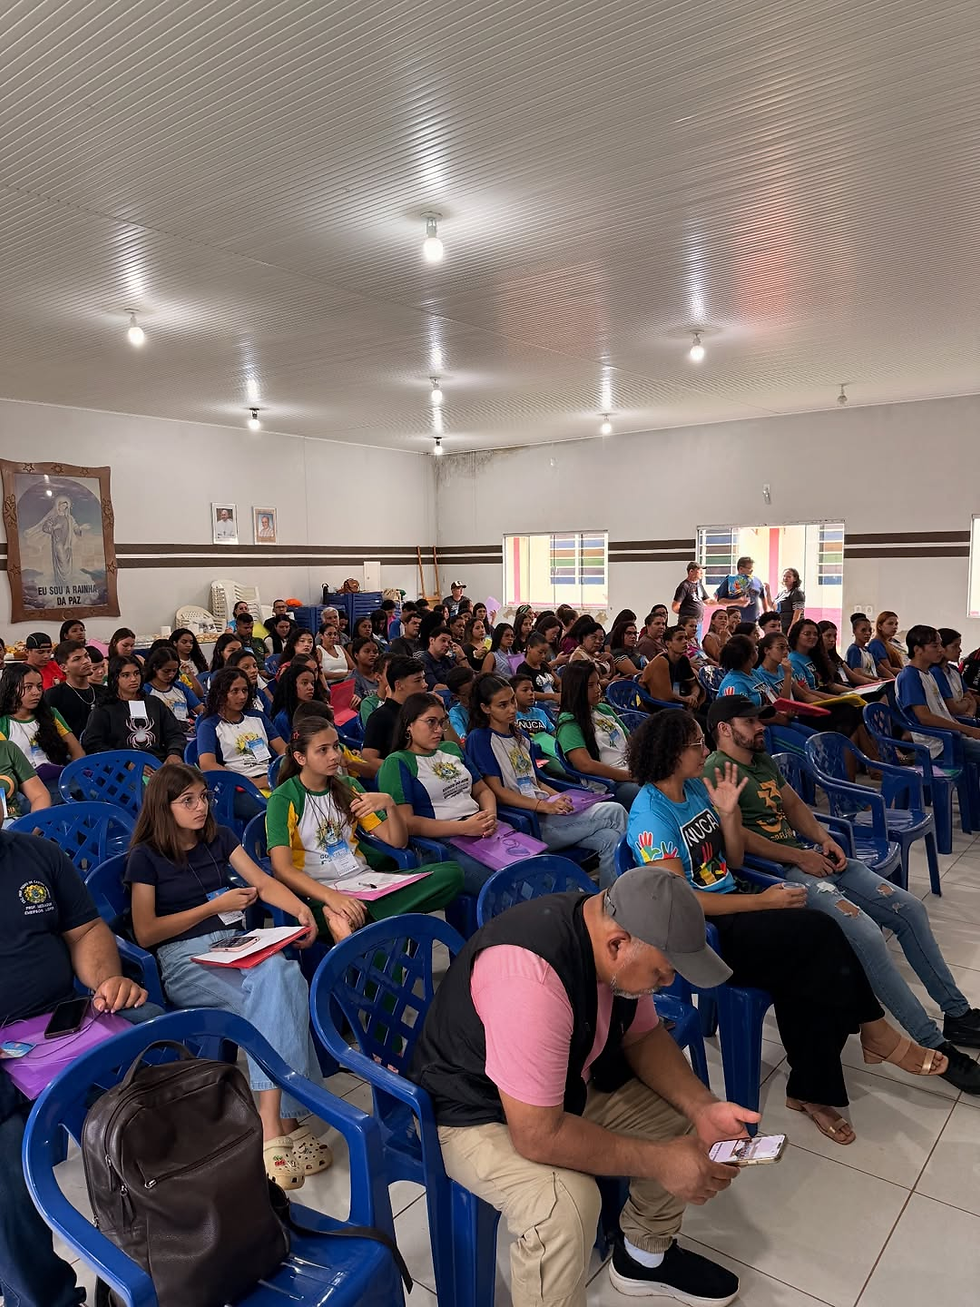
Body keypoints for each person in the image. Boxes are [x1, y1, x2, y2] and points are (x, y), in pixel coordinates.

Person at [410, 863, 753, 1307]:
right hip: (471, 1110)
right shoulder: (530, 979)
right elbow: (537, 1134)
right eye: (662, 973)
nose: (668, 983)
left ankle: (643, 1259)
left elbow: (644, 1035)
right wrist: (661, 1162)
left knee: (687, 1129)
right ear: (618, 945)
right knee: (564, 1206)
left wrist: (702, 1108)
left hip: (561, 1081)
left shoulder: (612, 935)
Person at [627, 708, 938, 1144]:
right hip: (703, 931)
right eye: (696, 743)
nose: (704, 750)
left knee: (813, 957)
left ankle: (816, 1086)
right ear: (670, 752)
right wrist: (761, 901)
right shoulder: (650, 815)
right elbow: (679, 903)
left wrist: (729, 813)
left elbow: (731, 860)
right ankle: (871, 1032)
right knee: (817, 937)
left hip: (733, 905)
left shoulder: (696, 790)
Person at [706, 695, 980, 1093]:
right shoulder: (716, 771)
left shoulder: (761, 758)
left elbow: (795, 804)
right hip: (775, 876)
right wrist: (801, 856)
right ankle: (930, 1041)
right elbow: (738, 840)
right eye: (751, 722)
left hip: (806, 858)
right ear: (725, 730)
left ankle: (956, 1013)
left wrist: (821, 840)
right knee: (866, 934)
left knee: (908, 909)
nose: (762, 727)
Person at [126, 764, 329, 1189]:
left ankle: (275, 1123)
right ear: (165, 808)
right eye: (189, 801)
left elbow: (261, 881)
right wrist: (209, 910)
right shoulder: (146, 856)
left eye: (204, 797)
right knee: (282, 982)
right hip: (184, 959)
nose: (201, 807)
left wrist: (300, 909)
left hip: (235, 947)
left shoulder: (219, 838)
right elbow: (146, 931)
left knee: (280, 976)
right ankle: (281, 1124)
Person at [0, 827, 161, 1307]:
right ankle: (45, 1300)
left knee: (152, 1033)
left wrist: (107, 982)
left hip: (58, 1021)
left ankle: (179, 1240)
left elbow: (86, 929)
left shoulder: (36, 854)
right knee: (5, 1165)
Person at [266, 714, 463, 943]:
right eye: (322, 750)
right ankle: (364, 921)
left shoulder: (348, 787)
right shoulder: (283, 798)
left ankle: (357, 921)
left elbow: (396, 841)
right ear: (301, 757)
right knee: (383, 935)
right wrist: (332, 898)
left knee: (452, 873)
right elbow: (282, 869)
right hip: (319, 896)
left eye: (335, 747)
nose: (334, 756)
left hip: (365, 883)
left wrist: (390, 804)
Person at [465, 674, 628, 886]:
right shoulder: (480, 739)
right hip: (526, 820)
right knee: (614, 811)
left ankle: (609, 899)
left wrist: (560, 798)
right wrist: (544, 806)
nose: (512, 709)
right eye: (502, 705)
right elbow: (498, 792)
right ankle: (632, 882)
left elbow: (537, 781)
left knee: (610, 839)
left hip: (544, 810)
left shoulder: (519, 735)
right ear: (486, 708)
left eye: (513, 701)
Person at [378, 692, 499, 894]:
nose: (438, 730)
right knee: (501, 882)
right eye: (430, 722)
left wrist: (490, 816)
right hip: (440, 842)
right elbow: (406, 822)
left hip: (479, 827)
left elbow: (483, 790)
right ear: (409, 724)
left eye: (442, 722)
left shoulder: (451, 749)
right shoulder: (398, 762)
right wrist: (464, 827)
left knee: (533, 864)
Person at [197, 668, 285, 811]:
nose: (242, 696)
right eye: (235, 691)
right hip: (235, 786)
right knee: (280, 809)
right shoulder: (209, 725)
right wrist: (250, 782)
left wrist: (278, 774)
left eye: (245, 690)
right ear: (221, 693)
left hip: (269, 777)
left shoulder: (258, 717)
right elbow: (207, 764)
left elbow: (282, 749)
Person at [555, 663, 639, 807]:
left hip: (632, 769)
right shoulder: (569, 724)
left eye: (598, 683)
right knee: (654, 794)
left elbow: (630, 740)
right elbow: (586, 765)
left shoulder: (604, 709)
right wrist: (630, 776)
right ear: (576, 689)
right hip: (611, 783)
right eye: (590, 686)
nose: (597, 689)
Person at [897, 625, 980, 765]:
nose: (941, 650)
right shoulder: (910, 676)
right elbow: (925, 718)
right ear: (917, 650)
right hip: (936, 744)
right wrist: (968, 730)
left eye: (941, 645)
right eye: (935, 646)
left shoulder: (927, 674)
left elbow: (942, 712)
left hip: (949, 737)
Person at [81, 655, 186, 763]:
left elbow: (175, 733)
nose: (133, 679)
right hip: (121, 768)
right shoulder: (104, 709)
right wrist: (124, 764)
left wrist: (174, 753)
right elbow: (93, 744)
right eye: (126, 675)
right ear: (115, 678)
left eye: (136, 673)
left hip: (158, 763)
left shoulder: (154, 703)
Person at [0, 661, 82, 784]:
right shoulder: (3, 723)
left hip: (59, 781)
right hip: (23, 788)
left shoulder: (50, 714)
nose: (36, 692)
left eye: (39, 686)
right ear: (11, 689)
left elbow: (78, 753)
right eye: (28, 687)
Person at [361, 656, 428, 766]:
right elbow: (369, 758)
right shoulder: (380, 717)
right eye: (418, 681)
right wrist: (402, 769)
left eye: (423, 679)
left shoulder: (427, 710)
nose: (425, 685)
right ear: (398, 685)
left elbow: (455, 746)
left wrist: (444, 715)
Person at [44, 641, 107, 740]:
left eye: (86, 656)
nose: (86, 661)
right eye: (77, 659)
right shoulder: (54, 695)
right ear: (64, 667)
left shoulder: (104, 692)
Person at [639, 625, 703, 712]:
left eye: (685, 638)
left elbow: (694, 685)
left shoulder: (683, 660)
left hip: (681, 701)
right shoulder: (661, 661)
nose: (685, 642)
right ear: (668, 643)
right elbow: (664, 696)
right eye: (680, 639)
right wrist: (686, 700)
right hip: (658, 706)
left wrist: (693, 696)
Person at [142, 645, 203, 729]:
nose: (171, 675)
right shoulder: (145, 690)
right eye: (166, 671)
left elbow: (201, 710)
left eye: (174, 670)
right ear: (154, 667)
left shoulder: (180, 687)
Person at [271, 658, 331, 740]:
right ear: (291, 686)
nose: (311, 688)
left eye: (312, 683)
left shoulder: (318, 709)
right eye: (304, 683)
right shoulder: (282, 719)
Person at [932, 628, 979, 717]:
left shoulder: (954, 670)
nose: (959, 650)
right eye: (955, 646)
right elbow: (953, 708)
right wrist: (966, 702)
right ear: (942, 648)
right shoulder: (936, 672)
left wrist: (970, 714)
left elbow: (971, 699)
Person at [714, 556, 770, 625]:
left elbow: (763, 599)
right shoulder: (731, 580)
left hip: (753, 623)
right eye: (749, 568)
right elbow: (721, 601)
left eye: (752, 568)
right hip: (734, 624)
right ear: (741, 569)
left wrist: (766, 616)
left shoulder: (757, 581)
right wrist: (738, 602)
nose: (752, 571)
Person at [516, 631, 559, 706]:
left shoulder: (544, 664)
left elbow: (558, 682)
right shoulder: (523, 669)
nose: (543, 656)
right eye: (540, 652)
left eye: (545, 653)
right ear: (529, 648)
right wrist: (553, 696)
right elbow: (528, 693)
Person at [228, 647, 275, 714]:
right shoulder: (228, 698)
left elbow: (270, 717)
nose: (253, 670)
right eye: (246, 667)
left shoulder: (259, 694)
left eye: (255, 666)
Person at [420, 624, 466, 690]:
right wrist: (459, 689)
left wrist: (462, 657)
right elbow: (434, 687)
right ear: (432, 640)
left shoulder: (447, 660)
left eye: (449, 642)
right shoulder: (423, 661)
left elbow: (466, 677)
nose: (447, 645)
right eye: (443, 640)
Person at [671, 562, 710, 634]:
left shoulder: (699, 585)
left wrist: (723, 601)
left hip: (698, 622)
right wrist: (686, 615)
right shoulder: (684, 586)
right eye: (699, 570)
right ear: (691, 571)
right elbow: (675, 607)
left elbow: (708, 601)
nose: (702, 572)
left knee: (695, 643)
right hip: (688, 624)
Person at [868, 611, 908, 679]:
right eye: (890, 624)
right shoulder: (876, 644)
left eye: (896, 624)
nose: (894, 627)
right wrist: (907, 671)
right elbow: (887, 669)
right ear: (880, 626)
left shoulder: (890, 643)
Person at [846, 614, 881, 680]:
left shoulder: (867, 650)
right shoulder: (854, 650)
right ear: (854, 631)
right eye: (863, 630)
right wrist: (878, 679)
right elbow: (858, 673)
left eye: (870, 630)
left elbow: (881, 668)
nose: (868, 633)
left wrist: (892, 678)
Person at [447, 664, 477, 739]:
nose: (476, 696)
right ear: (456, 696)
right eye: (469, 695)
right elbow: (462, 741)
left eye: (476, 690)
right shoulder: (455, 714)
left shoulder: (488, 701)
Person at [774, 568, 805, 633]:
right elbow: (773, 606)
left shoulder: (797, 592)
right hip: (782, 626)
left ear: (795, 579)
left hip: (791, 626)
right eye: (784, 576)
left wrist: (791, 629)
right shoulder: (782, 593)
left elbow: (797, 613)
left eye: (789, 576)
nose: (785, 578)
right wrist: (767, 592)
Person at [350, 636, 381, 700]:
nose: (372, 654)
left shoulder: (383, 675)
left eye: (375, 652)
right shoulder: (351, 680)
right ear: (356, 655)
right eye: (367, 651)